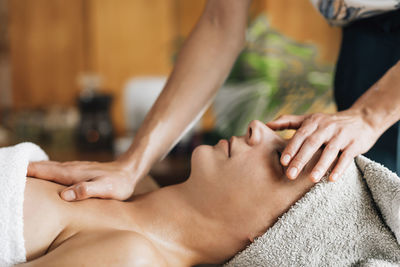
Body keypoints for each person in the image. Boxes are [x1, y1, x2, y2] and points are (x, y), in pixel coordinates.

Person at [28, 0, 400, 201]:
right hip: (363, 40)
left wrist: (370, 115)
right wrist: (132, 164)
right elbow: (221, 25)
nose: (254, 129)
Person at [16, 121, 317, 266]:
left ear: (269, 238)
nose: (258, 128)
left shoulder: (131, 259)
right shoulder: (136, 184)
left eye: (280, 157)